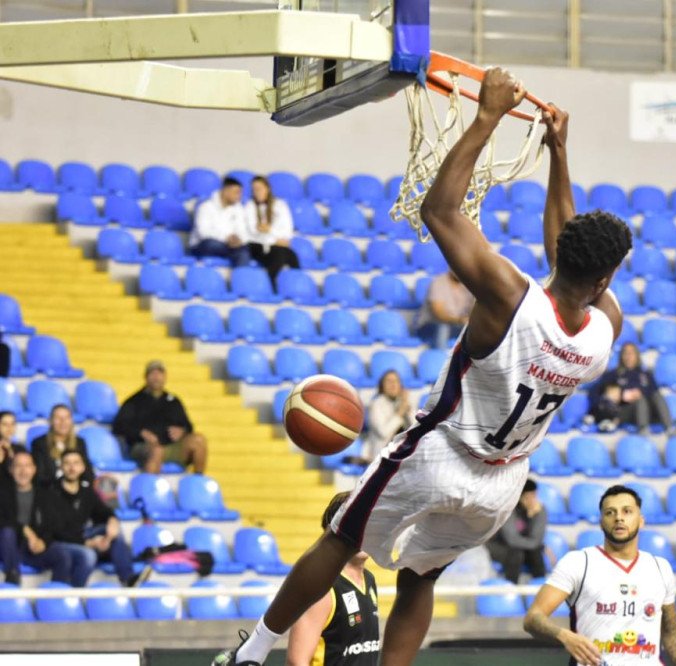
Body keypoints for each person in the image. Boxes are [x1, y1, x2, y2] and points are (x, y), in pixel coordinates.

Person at [215, 72, 632, 666]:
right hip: (502, 484)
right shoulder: (603, 330)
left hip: (441, 453)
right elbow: (566, 251)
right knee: (421, 577)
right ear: (604, 279)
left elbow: (439, 210)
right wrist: (558, 152)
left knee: (341, 539)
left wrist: (486, 117)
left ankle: (252, 653)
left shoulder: (510, 295)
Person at [523, 485, 676, 666]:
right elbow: (533, 618)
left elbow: (673, 635)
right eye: (610, 512)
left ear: (641, 520)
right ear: (601, 522)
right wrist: (565, 636)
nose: (619, 517)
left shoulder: (661, 567)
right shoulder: (578, 563)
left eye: (627, 511)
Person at [285, 491, 379, 666]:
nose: (364, 533)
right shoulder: (322, 587)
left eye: (369, 525)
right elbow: (296, 661)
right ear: (336, 530)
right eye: (357, 526)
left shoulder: (369, 579)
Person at [51, 450, 146, 587]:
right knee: (89, 555)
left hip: (83, 535)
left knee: (113, 531)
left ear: (82, 467)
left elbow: (104, 512)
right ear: (61, 467)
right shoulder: (51, 492)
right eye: (67, 463)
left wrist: (112, 521)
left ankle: (128, 579)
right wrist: (88, 542)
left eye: (76, 463)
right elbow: (56, 531)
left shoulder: (86, 491)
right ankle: (75, 592)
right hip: (61, 541)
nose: (72, 468)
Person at [0, 449, 84, 587]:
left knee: (62, 555)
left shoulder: (45, 495)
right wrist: (25, 529)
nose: (23, 471)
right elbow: (3, 520)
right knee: (7, 532)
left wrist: (43, 542)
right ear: (11, 469)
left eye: (27, 466)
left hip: (31, 549)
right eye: (18, 466)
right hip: (6, 547)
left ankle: (57, 594)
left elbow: (52, 526)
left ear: (34, 469)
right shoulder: (2, 492)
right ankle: (12, 580)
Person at [112, 360, 207, 474]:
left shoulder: (173, 401)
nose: (156, 377)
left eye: (159, 373)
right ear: (146, 377)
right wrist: (141, 433)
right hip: (143, 446)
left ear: (165, 377)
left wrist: (182, 431)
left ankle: (198, 482)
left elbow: (188, 426)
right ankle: (150, 485)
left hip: (170, 446)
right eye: (152, 373)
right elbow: (119, 426)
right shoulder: (134, 401)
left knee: (198, 440)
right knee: (157, 451)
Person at [587, 342, 672, 434]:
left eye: (631, 353)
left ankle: (670, 428)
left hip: (649, 411)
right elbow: (593, 391)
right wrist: (619, 396)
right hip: (625, 411)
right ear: (621, 357)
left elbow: (654, 392)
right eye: (625, 353)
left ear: (637, 356)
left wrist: (640, 393)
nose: (628, 357)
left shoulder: (646, 375)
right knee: (640, 400)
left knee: (656, 395)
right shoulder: (614, 374)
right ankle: (643, 430)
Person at [486, 478, 548, 584]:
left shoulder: (539, 510)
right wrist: (536, 544)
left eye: (534, 495)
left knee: (536, 552)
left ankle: (541, 586)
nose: (533, 500)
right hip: (499, 545)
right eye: (529, 496)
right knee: (516, 554)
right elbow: (512, 540)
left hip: (522, 546)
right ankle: (511, 588)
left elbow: (537, 539)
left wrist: (535, 516)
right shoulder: (508, 509)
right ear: (520, 497)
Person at [245, 175, 299, 287]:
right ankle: (270, 286)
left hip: (276, 245)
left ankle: (295, 286)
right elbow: (253, 232)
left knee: (292, 256)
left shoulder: (280, 205)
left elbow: (287, 231)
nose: (257, 192)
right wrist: (275, 239)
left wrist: (269, 230)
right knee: (279, 254)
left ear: (267, 188)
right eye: (254, 189)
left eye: (259, 189)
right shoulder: (250, 206)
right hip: (257, 245)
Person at [190, 176, 251, 266]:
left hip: (229, 246)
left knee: (245, 249)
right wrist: (227, 238)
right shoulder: (206, 206)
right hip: (204, 246)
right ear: (225, 191)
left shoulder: (239, 208)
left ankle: (240, 274)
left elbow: (242, 230)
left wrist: (239, 239)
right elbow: (203, 232)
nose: (239, 196)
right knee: (211, 244)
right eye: (236, 193)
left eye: (240, 193)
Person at [29, 403, 93, 487]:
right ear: (51, 421)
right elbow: (39, 476)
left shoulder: (80, 443)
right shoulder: (39, 443)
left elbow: (88, 473)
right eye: (58, 418)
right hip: (50, 489)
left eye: (67, 418)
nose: (63, 422)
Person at [361, 370, 415, 464]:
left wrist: (408, 410)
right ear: (382, 386)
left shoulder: (403, 402)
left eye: (396, 381)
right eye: (389, 381)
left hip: (405, 454)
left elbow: (418, 430)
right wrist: (400, 412)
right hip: (383, 456)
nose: (393, 385)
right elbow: (383, 432)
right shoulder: (376, 405)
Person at [414, 270, 474, 349]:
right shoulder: (438, 283)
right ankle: (441, 355)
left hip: (455, 325)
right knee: (443, 327)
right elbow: (439, 313)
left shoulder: (469, 284)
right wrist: (459, 320)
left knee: (474, 329)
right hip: (429, 325)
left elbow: (473, 311)